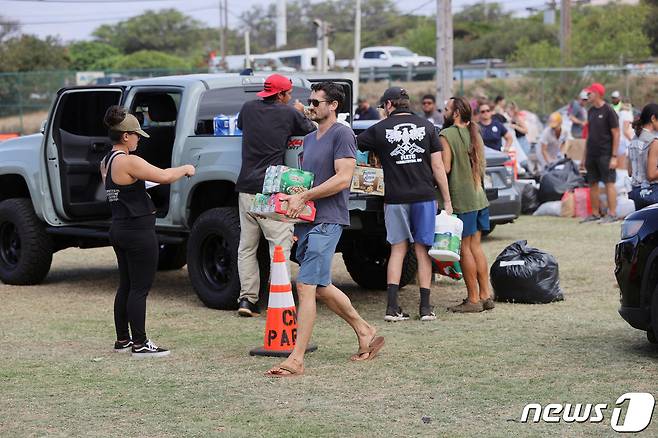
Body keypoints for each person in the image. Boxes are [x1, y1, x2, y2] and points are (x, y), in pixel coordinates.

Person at [265, 82, 383, 377]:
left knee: (305, 286)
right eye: (310, 101)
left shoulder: (342, 133)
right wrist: (294, 213)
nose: (311, 105)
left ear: (333, 106)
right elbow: (307, 182)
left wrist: (304, 197)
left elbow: (344, 178)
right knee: (319, 286)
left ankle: (296, 359)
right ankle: (365, 330)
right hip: (309, 221)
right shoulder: (308, 138)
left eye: (317, 102)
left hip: (330, 220)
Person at [100, 106, 195, 358]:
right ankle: (140, 344)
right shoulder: (129, 160)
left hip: (119, 228)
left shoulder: (107, 161)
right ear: (125, 136)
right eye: (136, 135)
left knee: (126, 286)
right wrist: (185, 168)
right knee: (139, 288)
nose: (139, 139)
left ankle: (123, 339)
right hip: (138, 231)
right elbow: (164, 176)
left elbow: (129, 185)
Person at [357, 87, 452, 322]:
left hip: (395, 198)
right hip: (424, 196)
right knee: (423, 251)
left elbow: (355, 146)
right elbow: (438, 167)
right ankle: (426, 308)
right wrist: (447, 200)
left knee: (397, 250)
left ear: (389, 104)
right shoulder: (428, 127)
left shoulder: (379, 129)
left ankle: (392, 308)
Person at [235, 73, 316, 317]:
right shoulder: (288, 112)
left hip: (246, 187)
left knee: (247, 247)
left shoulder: (248, 109)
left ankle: (247, 300)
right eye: (288, 93)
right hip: (272, 190)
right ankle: (277, 301)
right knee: (279, 248)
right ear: (280, 94)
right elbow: (311, 130)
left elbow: (240, 126)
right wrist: (302, 111)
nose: (290, 97)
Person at [440, 97, 493, 313]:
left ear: (455, 114)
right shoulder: (475, 131)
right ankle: (485, 295)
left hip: (462, 198)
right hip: (479, 197)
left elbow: (445, 167)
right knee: (476, 247)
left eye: (445, 109)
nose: (442, 112)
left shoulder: (446, 135)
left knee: (465, 249)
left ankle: (472, 299)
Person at [580, 82, 620, 224]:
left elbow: (616, 133)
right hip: (592, 154)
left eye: (589, 93)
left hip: (606, 154)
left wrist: (614, 156)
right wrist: (583, 157)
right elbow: (589, 135)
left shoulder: (609, 110)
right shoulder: (591, 111)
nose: (587, 96)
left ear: (596, 93)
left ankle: (613, 214)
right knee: (593, 183)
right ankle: (595, 214)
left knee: (609, 183)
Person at [628, 103, 658, 210]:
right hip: (652, 192)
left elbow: (630, 172)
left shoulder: (633, 141)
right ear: (653, 118)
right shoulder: (653, 142)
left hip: (636, 192)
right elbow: (651, 174)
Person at [617, 102, 634, 170]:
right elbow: (625, 131)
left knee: (618, 167)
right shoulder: (627, 114)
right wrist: (633, 140)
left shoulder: (619, 113)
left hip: (619, 140)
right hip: (624, 142)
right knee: (623, 168)